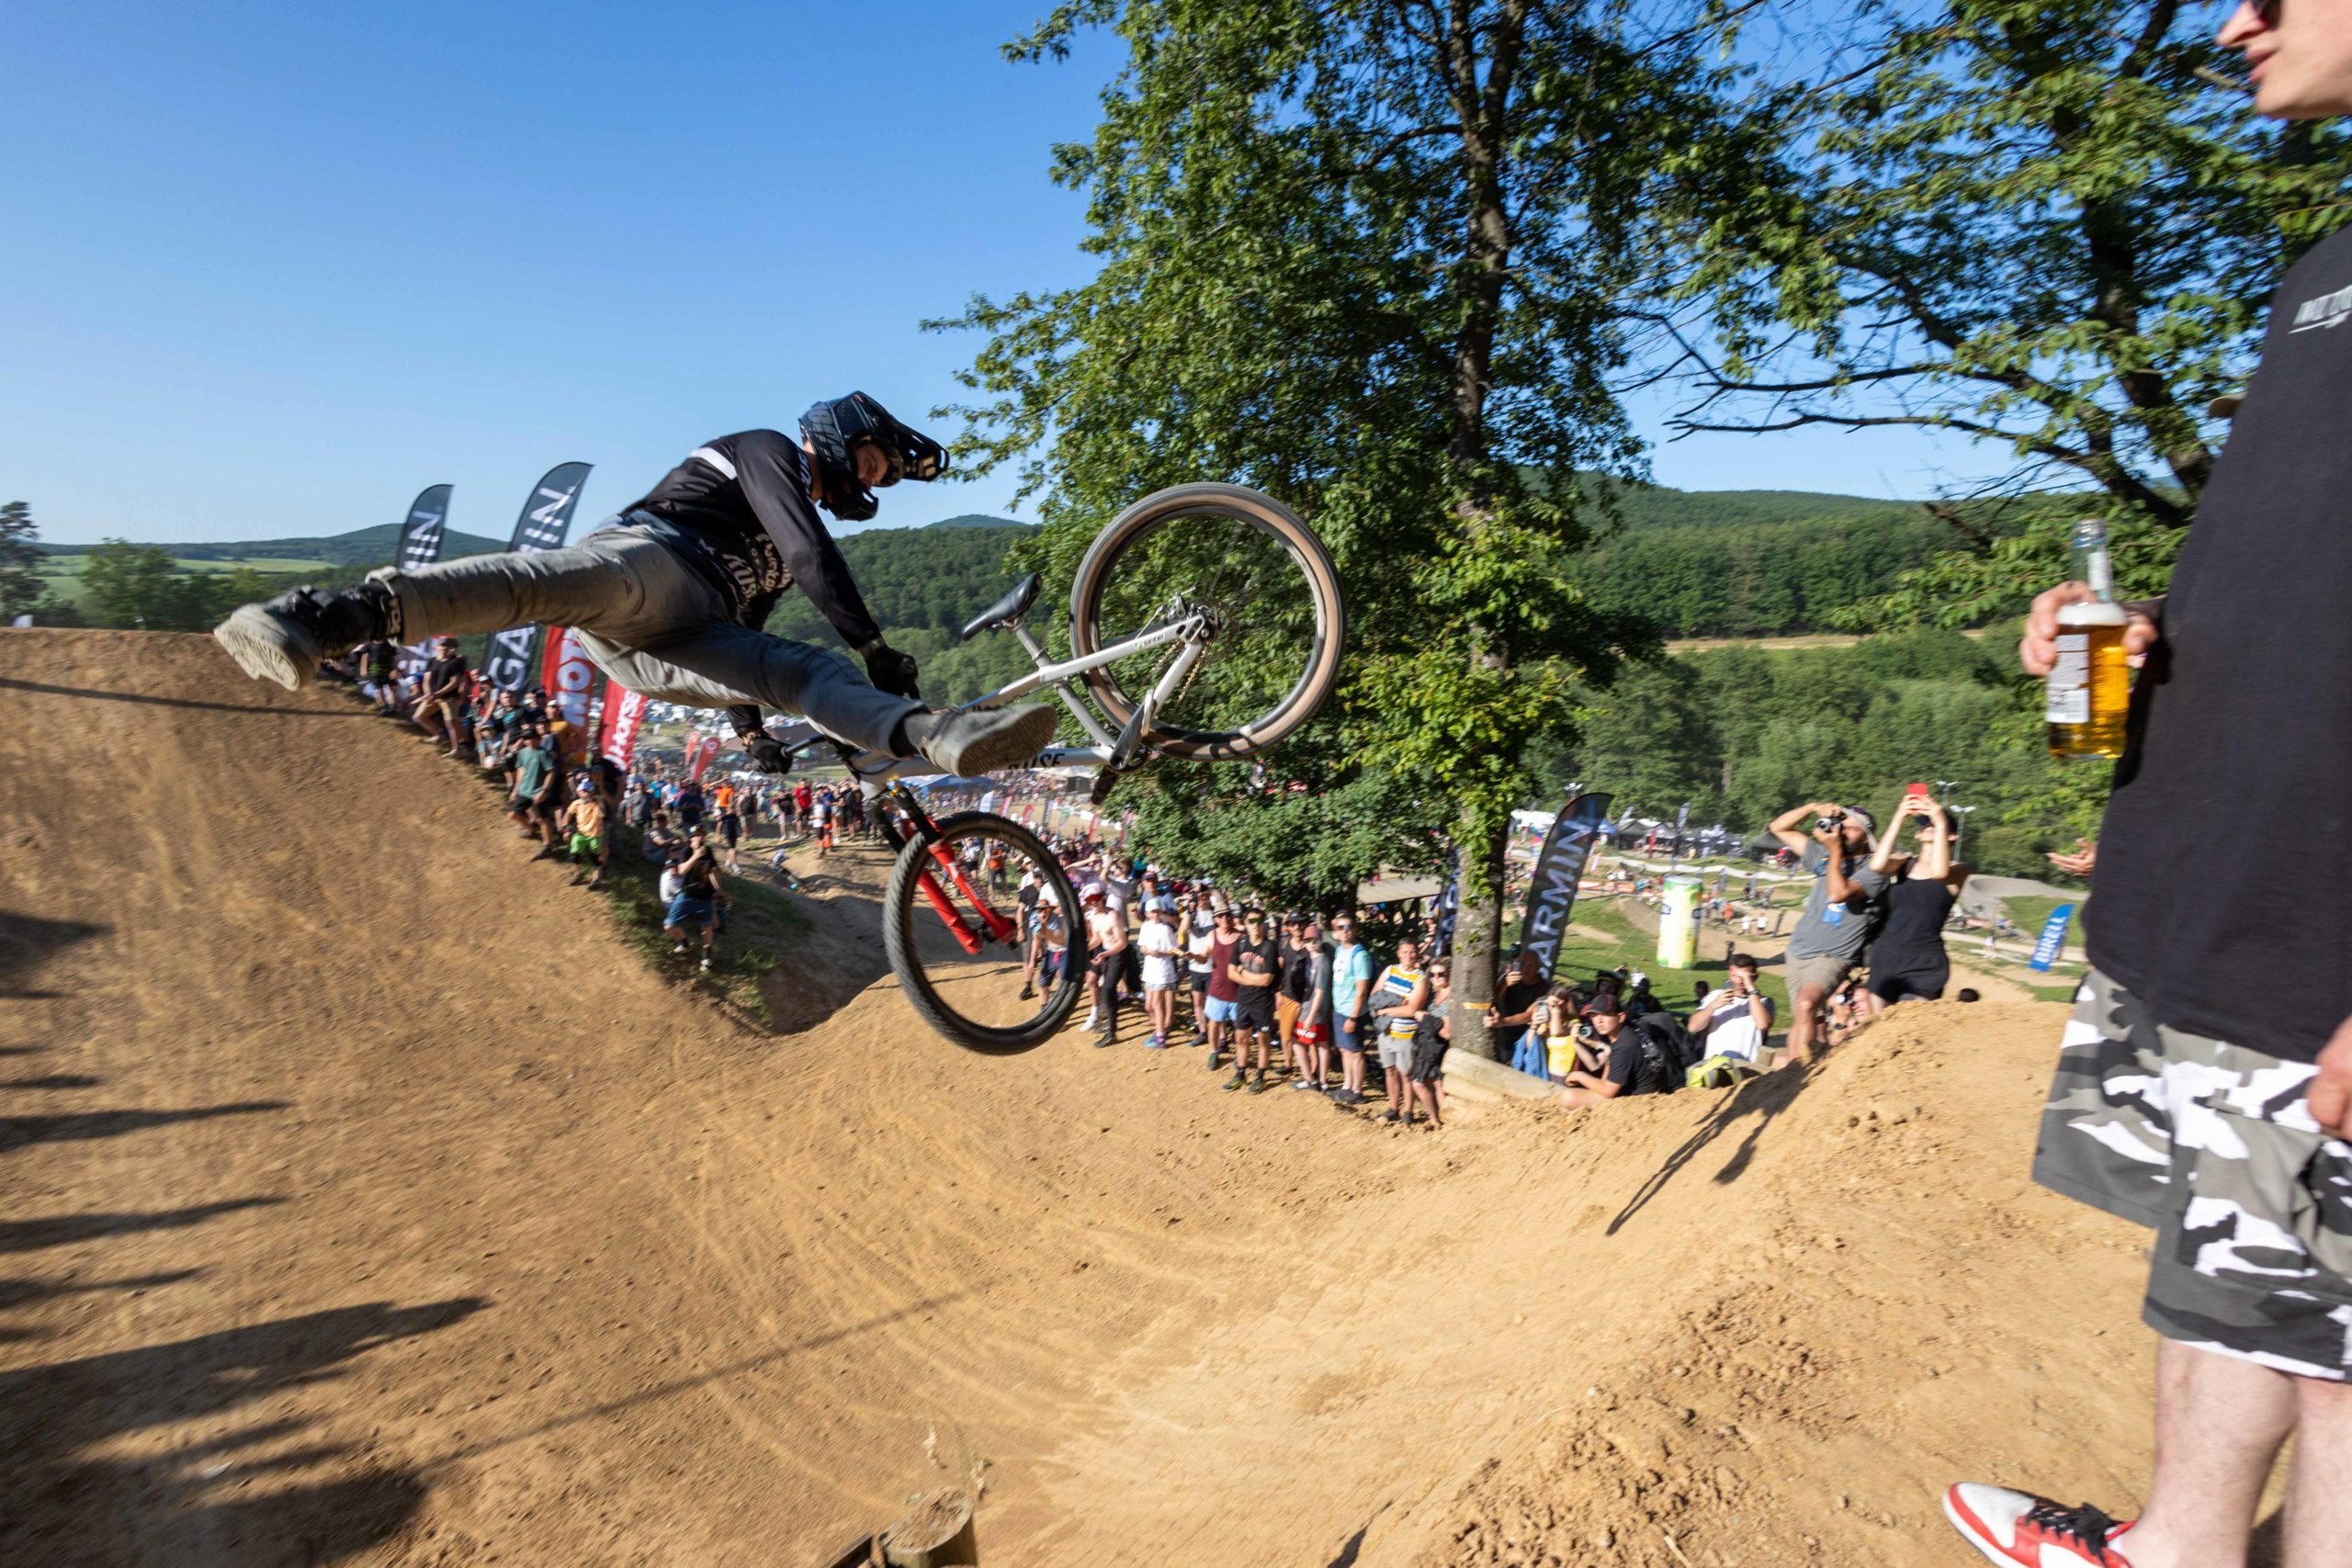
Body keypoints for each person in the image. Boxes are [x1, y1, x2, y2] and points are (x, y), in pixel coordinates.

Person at [1944, 9, 2352, 1564]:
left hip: (2324, 924)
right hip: (2224, 885)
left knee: (2340, 1379)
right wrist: (2140, 656)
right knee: (2232, 1290)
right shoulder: (2320, 269)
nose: (2234, 22)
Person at [213, 394, 1057, 779]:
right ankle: (317, 618)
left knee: (803, 673)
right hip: (649, 565)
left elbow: (756, 626)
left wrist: (751, 734)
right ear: (838, 436)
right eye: (871, 460)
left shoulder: (795, 504)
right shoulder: (769, 450)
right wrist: (873, 642)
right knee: (531, 585)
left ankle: (936, 733)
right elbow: (807, 554)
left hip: (677, 641)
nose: (868, 478)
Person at [1767, 800, 1887, 1069]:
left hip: (1835, 954)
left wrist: (1833, 850)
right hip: (1799, 950)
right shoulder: (1822, 853)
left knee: (1806, 1003)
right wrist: (1811, 807)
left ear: (1866, 836)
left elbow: (1838, 892)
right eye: (1839, 825)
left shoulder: (1874, 869)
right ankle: (1789, 1077)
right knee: (1803, 1014)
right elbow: (1778, 827)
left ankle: (1801, 1074)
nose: (1841, 832)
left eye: (1850, 828)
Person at [1862, 793, 1970, 1014]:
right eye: (1923, 823)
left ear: (1952, 836)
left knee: (1910, 1027)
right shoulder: (1904, 863)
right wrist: (1899, 817)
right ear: (1917, 833)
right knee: (1877, 1029)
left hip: (1925, 961)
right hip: (1887, 954)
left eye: (1937, 824)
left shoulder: (1960, 869)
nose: (1928, 826)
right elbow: (1877, 865)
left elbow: (1940, 873)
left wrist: (1939, 820)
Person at [1554, 994, 1670, 1111]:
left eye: (1605, 1015)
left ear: (1620, 1017)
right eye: (1593, 1015)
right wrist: (1594, 1043)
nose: (1598, 1021)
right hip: (1656, 1089)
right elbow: (1611, 1063)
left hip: (1637, 1103)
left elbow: (1608, 1092)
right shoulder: (1633, 1029)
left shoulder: (1624, 1046)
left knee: (1568, 1097)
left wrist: (1579, 1076)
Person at [1370, 938, 1430, 1125]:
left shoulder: (1421, 978)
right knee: (1390, 1071)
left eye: (1412, 952)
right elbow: (1375, 996)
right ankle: (1393, 1106)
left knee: (1406, 1074)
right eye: (1405, 952)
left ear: (1417, 953)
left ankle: (1408, 1110)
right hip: (1386, 1031)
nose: (1409, 956)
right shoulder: (1390, 970)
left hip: (1406, 1033)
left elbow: (1412, 1009)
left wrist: (1387, 1009)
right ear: (1398, 953)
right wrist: (1399, 1001)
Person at [1226, 908, 1282, 1093]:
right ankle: (1240, 1074)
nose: (1255, 924)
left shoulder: (1269, 947)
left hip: (1263, 1003)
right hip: (1244, 1000)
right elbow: (1230, 973)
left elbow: (1267, 980)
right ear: (1245, 923)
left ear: (1264, 923)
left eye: (1259, 920)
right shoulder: (1241, 943)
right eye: (1251, 921)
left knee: (1263, 1040)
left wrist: (1244, 973)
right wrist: (1250, 979)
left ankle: (1260, 1076)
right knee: (1240, 1039)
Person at [1688, 954, 1774, 1069]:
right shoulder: (1714, 996)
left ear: (1755, 977)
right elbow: (1692, 1027)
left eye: (1744, 977)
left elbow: (1763, 1024)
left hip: (1747, 1069)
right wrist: (1713, 1006)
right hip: (1714, 1067)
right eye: (1736, 976)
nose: (1739, 981)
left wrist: (1752, 989)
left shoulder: (1763, 1001)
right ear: (1729, 974)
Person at [1328, 914, 1374, 1106]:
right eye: (1341, 928)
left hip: (1352, 1012)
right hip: (1340, 1009)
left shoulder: (1360, 955)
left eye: (1348, 927)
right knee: (1345, 1050)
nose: (1345, 930)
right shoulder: (1340, 951)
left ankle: (1357, 1090)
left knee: (1355, 1052)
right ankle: (1347, 1086)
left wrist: (1353, 1017)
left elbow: (1362, 991)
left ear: (1355, 930)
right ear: (1335, 932)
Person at [663, 829, 725, 972]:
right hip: (688, 895)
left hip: (705, 896)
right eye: (696, 835)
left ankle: (706, 958)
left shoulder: (708, 850)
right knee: (669, 925)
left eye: (701, 834)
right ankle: (684, 944)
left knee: (707, 927)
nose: (699, 837)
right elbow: (682, 870)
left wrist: (718, 889)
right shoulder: (685, 852)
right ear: (690, 839)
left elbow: (713, 871)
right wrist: (696, 856)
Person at [1487, 949, 1548, 1078]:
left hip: (1524, 1039)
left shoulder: (1544, 988)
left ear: (1538, 968)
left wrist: (1503, 1022)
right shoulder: (1507, 979)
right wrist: (1504, 985)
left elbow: (1529, 1015)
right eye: (1521, 963)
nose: (1524, 968)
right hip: (1501, 1037)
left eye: (1530, 965)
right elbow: (1492, 1001)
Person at [1407, 959, 1453, 1129]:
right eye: (1432, 975)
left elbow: (1447, 1032)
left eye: (1441, 974)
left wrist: (1427, 1018)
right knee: (1437, 1084)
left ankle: (1439, 1119)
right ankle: (1438, 1120)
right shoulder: (1437, 996)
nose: (1437, 978)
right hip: (1431, 1048)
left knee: (1420, 1083)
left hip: (1440, 1049)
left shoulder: (1451, 999)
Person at [413, 636, 474, 758]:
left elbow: (455, 682)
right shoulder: (432, 661)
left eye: (447, 646)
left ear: (451, 648)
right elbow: (426, 679)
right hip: (433, 696)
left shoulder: (455, 662)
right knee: (418, 716)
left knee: (451, 722)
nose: (444, 648)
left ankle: (456, 750)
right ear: (436, 647)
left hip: (449, 697)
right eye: (441, 645)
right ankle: (438, 736)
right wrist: (428, 694)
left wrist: (436, 694)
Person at [1081, 886, 1127, 1047]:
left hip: (1117, 954)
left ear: (1103, 898)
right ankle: (1108, 1025)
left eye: (1095, 899)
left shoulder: (1113, 916)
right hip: (1106, 954)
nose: (1093, 903)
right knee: (1102, 988)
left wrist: (1105, 954)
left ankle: (1111, 1032)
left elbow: (1122, 942)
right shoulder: (1094, 917)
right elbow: (1097, 939)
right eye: (1089, 900)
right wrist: (1083, 949)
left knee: (1108, 989)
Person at [1291, 919, 1333, 1092]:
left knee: (1297, 1042)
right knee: (1321, 1044)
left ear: (1320, 940)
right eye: (1308, 941)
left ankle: (1311, 1079)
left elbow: (1320, 991)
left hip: (1314, 1010)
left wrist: (1310, 1016)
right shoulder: (1315, 959)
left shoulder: (1321, 961)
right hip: (1315, 1008)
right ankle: (1322, 1081)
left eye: (1314, 940)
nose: (1311, 944)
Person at [1136, 897, 1182, 1049]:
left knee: (1156, 1004)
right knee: (1149, 1005)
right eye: (1152, 912)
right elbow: (1141, 947)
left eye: (1157, 911)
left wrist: (1160, 953)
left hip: (1162, 970)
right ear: (1147, 913)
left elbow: (1173, 950)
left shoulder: (1166, 929)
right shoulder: (1145, 927)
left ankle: (1160, 1036)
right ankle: (1160, 1031)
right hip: (1150, 970)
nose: (1155, 914)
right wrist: (1147, 951)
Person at [1202, 908, 1241, 1070]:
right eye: (1220, 916)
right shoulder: (1212, 936)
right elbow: (1204, 957)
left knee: (1240, 1026)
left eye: (1227, 915)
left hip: (1238, 990)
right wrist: (1192, 956)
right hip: (1217, 988)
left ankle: (1240, 1055)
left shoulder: (1241, 937)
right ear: (1216, 919)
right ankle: (1213, 1052)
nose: (1224, 918)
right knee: (1214, 1023)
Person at [561, 774, 607, 888]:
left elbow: (602, 814)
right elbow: (567, 814)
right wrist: (566, 829)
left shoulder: (597, 803)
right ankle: (578, 874)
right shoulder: (576, 803)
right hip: (581, 833)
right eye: (582, 792)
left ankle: (596, 879)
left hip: (595, 834)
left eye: (586, 791)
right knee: (574, 854)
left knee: (595, 858)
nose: (583, 794)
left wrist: (598, 802)